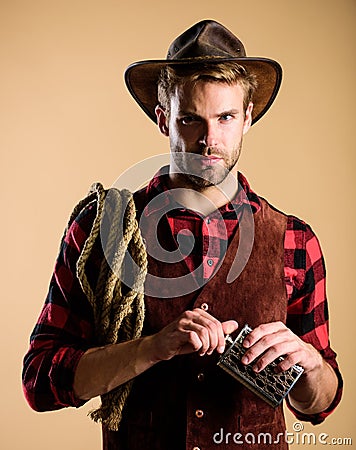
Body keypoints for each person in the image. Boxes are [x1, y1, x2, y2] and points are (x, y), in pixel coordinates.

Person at [22, 20, 342, 450]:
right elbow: (41, 380)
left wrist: (311, 366)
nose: (209, 140)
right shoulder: (102, 229)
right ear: (163, 119)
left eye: (225, 117)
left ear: (248, 118)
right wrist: (152, 348)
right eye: (190, 119)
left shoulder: (294, 242)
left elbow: (318, 405)